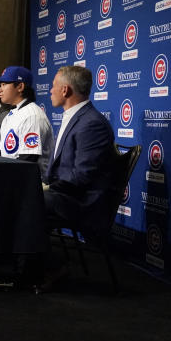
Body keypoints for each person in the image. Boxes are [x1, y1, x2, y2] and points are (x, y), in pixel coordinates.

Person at [43, 65, 115, 238]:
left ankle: (30, 260)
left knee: (27, 198)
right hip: (64, 194)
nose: (50, 91)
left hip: (80, 201)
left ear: (65, 90)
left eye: (53, 86)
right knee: (23, 192)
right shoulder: (75, 117)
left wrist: (47, 187)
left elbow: (82, 176)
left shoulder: (91, 124)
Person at [0, 66, 54, 178]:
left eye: (4, 84)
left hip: (33, 184)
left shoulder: (32, 115)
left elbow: (28, 161)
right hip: (14, 179)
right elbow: (1, 154)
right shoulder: (11, 114)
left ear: (20, 87)